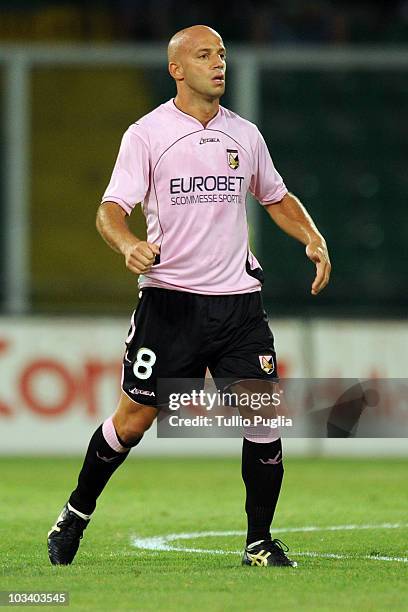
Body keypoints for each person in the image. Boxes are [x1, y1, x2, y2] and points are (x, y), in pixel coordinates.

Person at [47, 24, 331, 568]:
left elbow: (275, 195)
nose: (217, 63)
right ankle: (75, 513)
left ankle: (258, 543)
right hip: (170, 304)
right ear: (176, 68)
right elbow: (111, 210)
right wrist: (128, 243)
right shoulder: (148, 134)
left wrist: (313, 237)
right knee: (131, 422)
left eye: (221, 54)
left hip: (238, 304)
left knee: (262, 418)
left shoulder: (244, 135)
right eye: (204, 56)